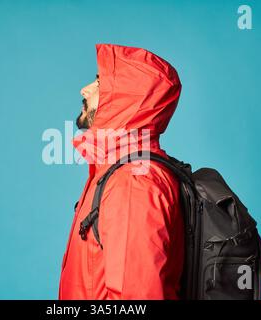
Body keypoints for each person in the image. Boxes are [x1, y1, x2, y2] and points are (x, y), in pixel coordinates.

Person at [59, 44, 184, 299]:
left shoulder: (133, 181)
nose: (85, 90)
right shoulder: (118, 172)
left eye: (99, 83)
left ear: (125, 100)